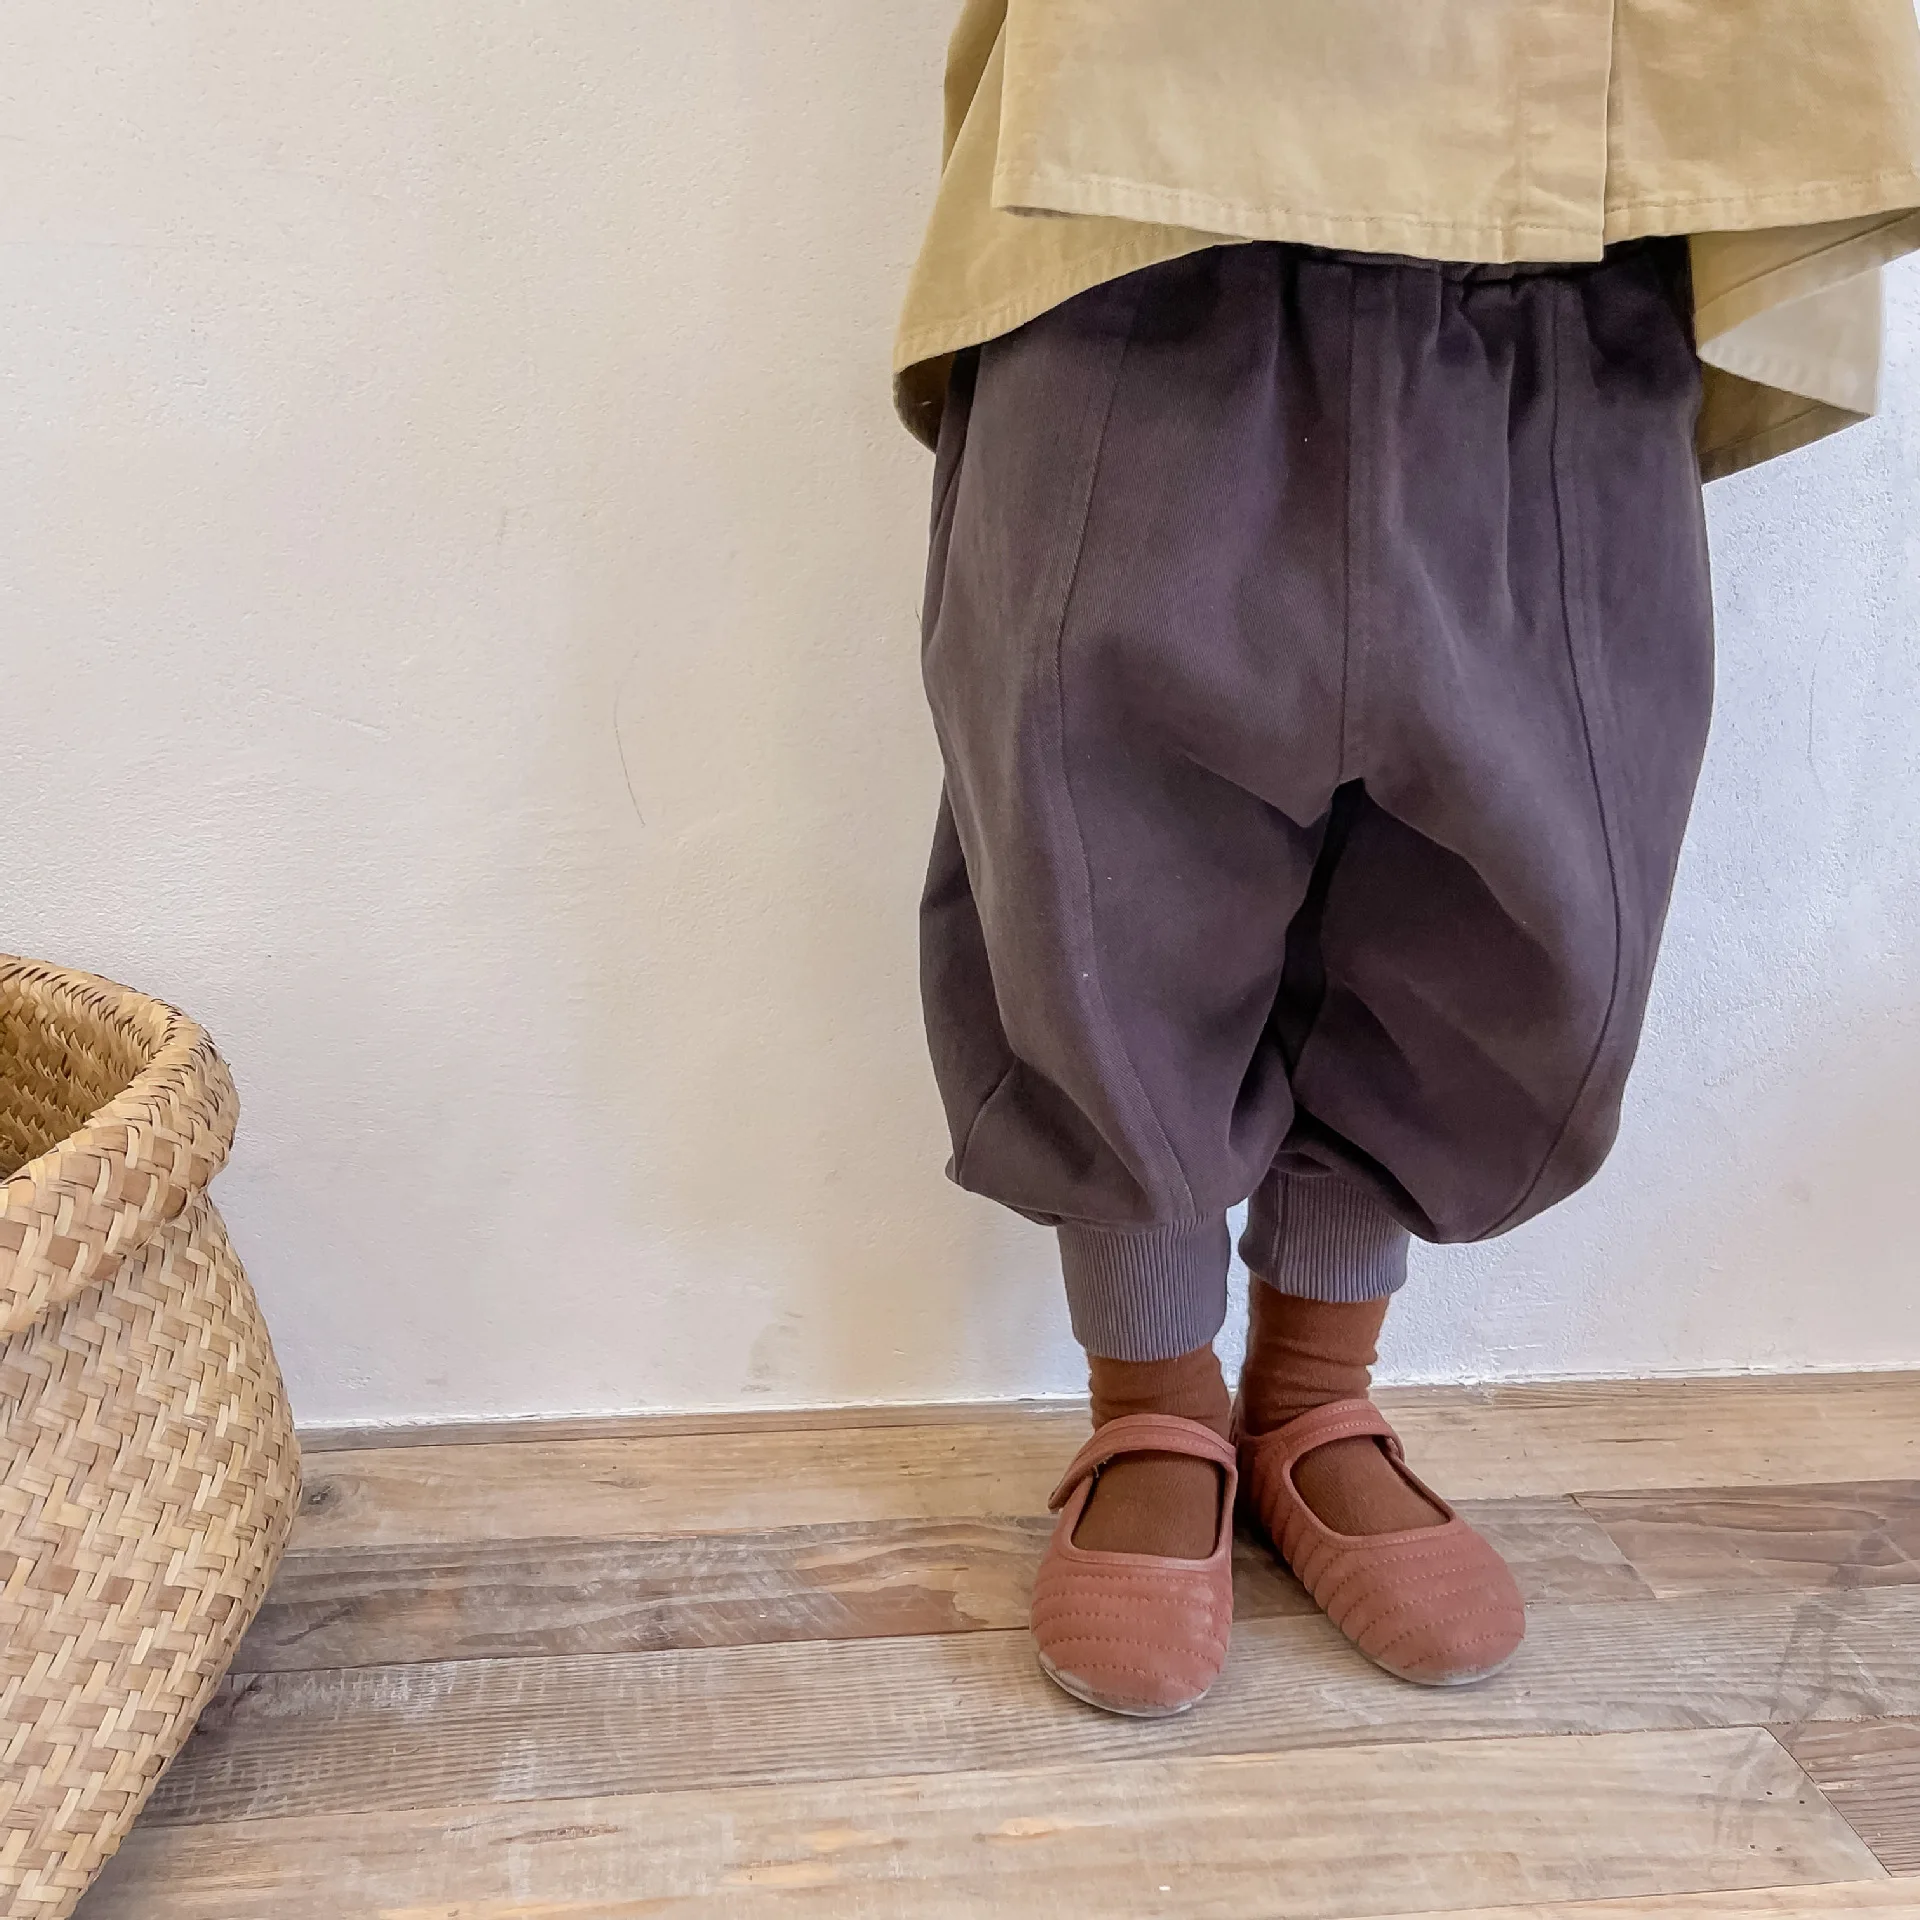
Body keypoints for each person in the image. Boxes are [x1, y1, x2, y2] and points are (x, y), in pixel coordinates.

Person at [895, 0, 1920, 1717]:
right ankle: (1152, 1397)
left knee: (1530, 856)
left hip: (1596, 192)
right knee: (1097, 820)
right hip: (1151, 172)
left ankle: (1316, 1385)